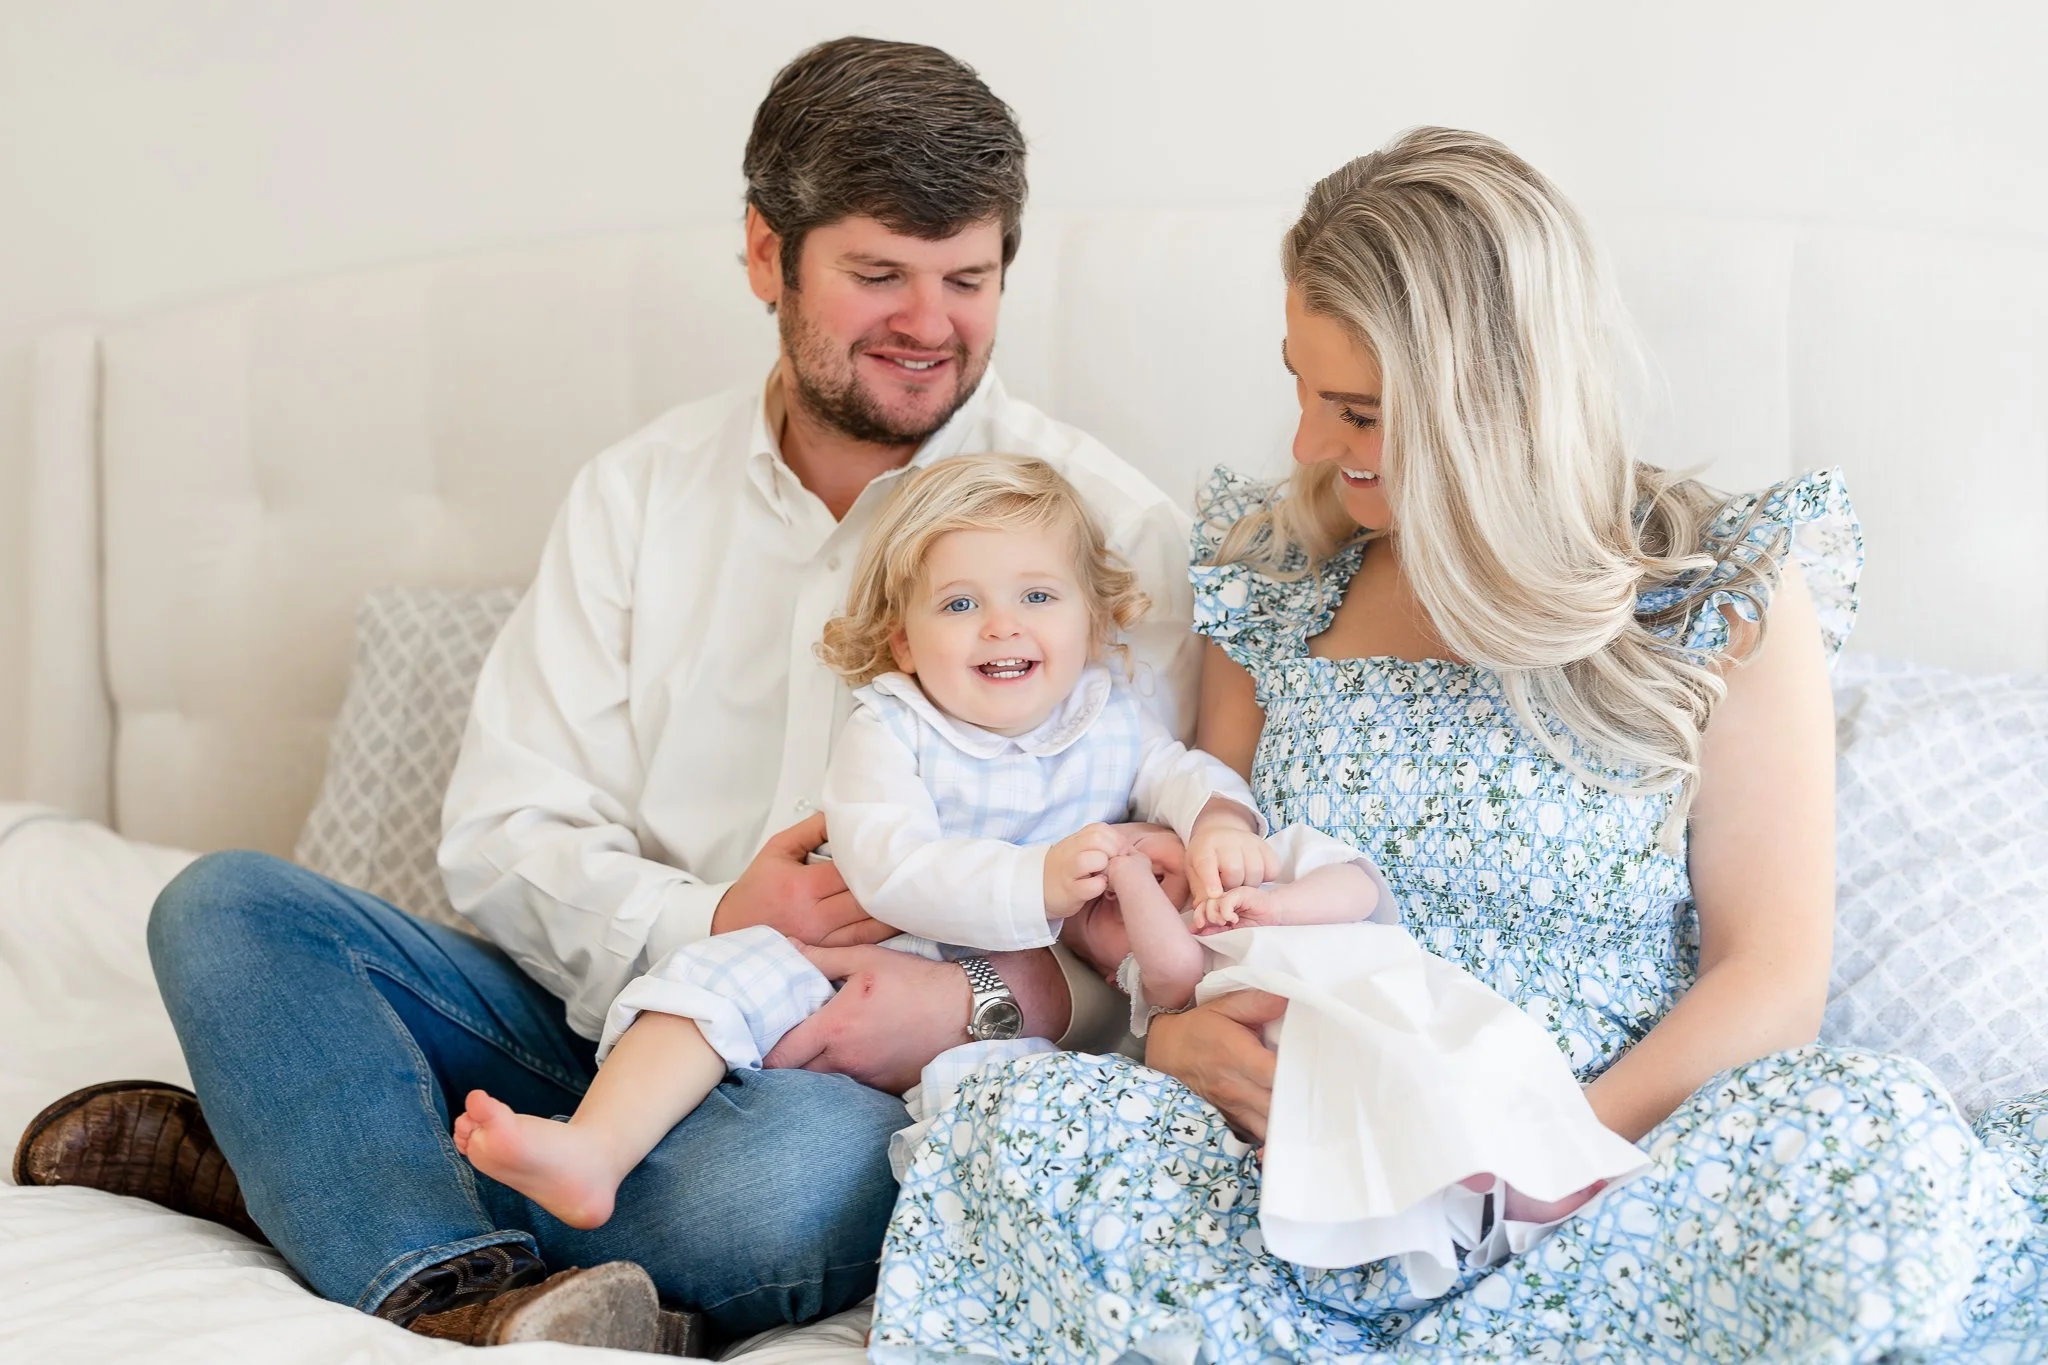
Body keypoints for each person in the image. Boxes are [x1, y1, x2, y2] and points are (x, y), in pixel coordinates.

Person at [12, 37, 1197, 1353]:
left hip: (835, 1080)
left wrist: (975, 998)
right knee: (227, 910)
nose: (930, 323)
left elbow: (1152, 939)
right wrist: (716, 917)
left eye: (967, 279)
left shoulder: (1107, 539)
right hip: (583, 1024)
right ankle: (442, 1249)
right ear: (767, 255)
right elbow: (504, 836)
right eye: (878, 275)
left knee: (788, 1192)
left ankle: (312, 1175)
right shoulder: (637, 496)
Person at [866, 128, 2048, 1361]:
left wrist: (1519, 1161)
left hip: (1615, 1163)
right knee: (1009, 1131)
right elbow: (1200, 916)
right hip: (1315, 1171)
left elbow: (1768, 979)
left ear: (1493, 403)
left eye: (1358, 411)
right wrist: (1179, 1042)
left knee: (1867, 1148)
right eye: (1302, 387)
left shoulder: (1715, 589)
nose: (1308, 446)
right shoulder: (1276, 578)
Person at [449, 453, 1265, 1231]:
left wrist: (1219, 820)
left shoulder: (1107, 720)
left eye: (1039, 596)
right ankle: (596, 1148)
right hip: (857, 959)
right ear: (903, 641)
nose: (1001, 626)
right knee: (713, 981)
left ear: (1092, 617)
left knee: (1016, 1128)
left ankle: (949, 1257)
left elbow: (1182, 774)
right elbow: (891, 868)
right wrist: (1035, 881)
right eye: (959, 604)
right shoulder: (893, 728)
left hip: (1010, 1023)